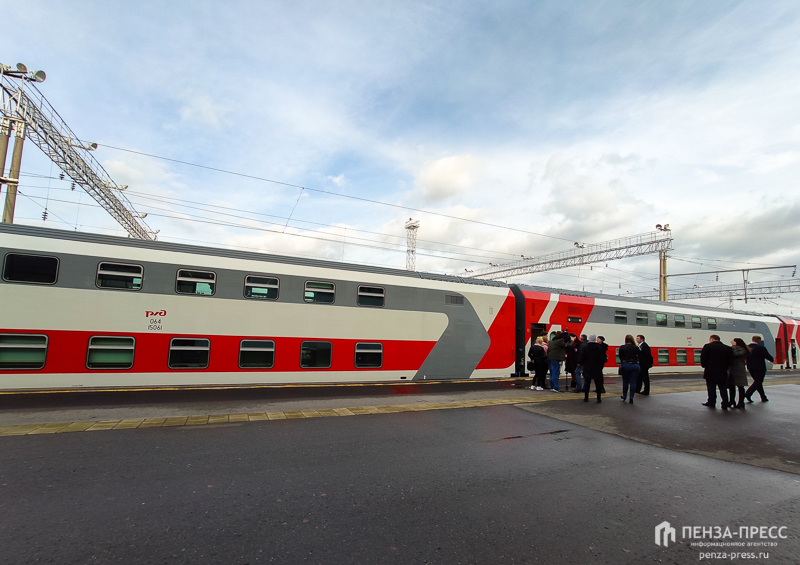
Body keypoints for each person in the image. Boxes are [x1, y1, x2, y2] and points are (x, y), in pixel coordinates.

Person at [700, 334, 733, 409]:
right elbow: (730, 361)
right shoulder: (727, 348)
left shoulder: (707, 346)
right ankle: (724, 403)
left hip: (710, 371)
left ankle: (711, 402)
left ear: (712, 339)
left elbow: (703, 358)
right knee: (723, 388)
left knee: (711, 388)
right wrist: (725, 367)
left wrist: (704, 365)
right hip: (722, 371)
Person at [745, 335, 774, 403]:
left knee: (758, 382)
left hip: (751, 367)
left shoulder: (747, 348)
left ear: (752, 339)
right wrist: (772, 359)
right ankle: (748, 393)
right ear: (759, 340)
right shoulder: (761, 348)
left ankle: (763, 397)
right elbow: (768, 356)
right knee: (758, 382)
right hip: (760, 367)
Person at [579, 334, 607, 403]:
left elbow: (582, 357)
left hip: (587, 367)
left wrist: (580, 362)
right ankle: (598, 398)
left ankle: (586, 398)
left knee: (587, 383)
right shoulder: (599, 348)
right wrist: (600, 366)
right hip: (597, 368)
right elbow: (602, 358)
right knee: (598, 383)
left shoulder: (586, 347)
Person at [727, 338, 750, 409]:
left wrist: (734, 347)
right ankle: (732, 401)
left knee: (740, 386)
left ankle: (740, 402)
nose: (731, 341)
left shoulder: (741, 349)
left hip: (738, 369)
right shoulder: (740, 349)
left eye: (733, 341)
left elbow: (735, 354)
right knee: (731, 386)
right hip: (733, 369)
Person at [618, 334, 640, 404]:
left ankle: (624, 396)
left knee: (625, 381)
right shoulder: (636, 347)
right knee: (633, 382)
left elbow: (620, 356)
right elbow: (639, 356)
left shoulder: (622, 347)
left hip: (626, 365)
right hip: (635, 365)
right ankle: (631, 398)